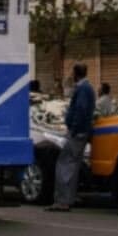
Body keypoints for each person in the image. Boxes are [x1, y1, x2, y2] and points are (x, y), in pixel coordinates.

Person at [48, 62, 95, 212]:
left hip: (77, 132)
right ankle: (69, 198)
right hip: (82, 131)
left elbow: (81, 110)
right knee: (73, 165)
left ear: (75, 73)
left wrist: (74, 129)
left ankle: (62, 200)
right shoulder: (87, 88)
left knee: (64, 164)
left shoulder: (83, 88)